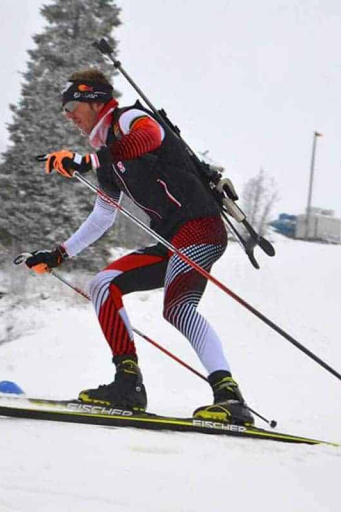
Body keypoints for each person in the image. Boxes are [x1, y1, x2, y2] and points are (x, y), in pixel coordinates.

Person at [23, 68, 253, 425]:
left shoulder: (129, 119)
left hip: (201, 227)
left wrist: (87, 161)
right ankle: (127, 384)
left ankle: (230, 398)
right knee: (103, 284)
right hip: (170, 239)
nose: (67, 116)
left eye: (71, 106)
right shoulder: (105, 156)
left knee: (178, 307)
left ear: (94, 100)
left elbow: (148, 138)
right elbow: (103, 216)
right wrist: (59, 254)